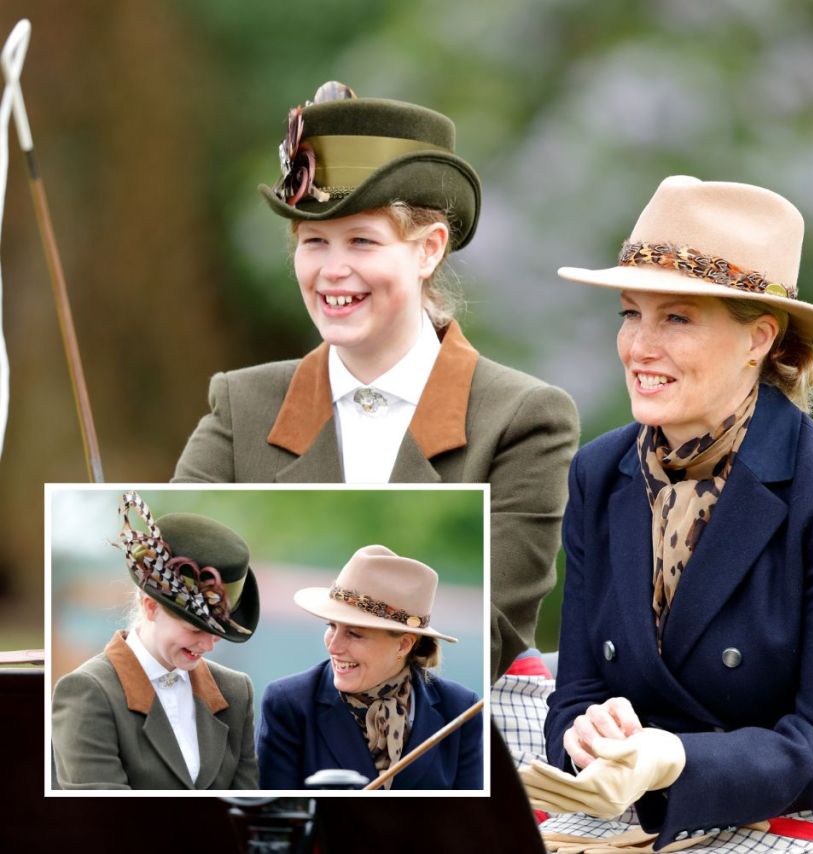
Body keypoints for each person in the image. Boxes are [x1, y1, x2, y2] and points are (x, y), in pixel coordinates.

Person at [531, 177, 813, 851]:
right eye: (631, 313)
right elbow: (574, 691)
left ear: (759, 339)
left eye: (677, 318)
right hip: (653, 799)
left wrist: (678, 759)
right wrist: (588, 735)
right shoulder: (600, 474)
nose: (639, 346)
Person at [172, 82, 578, 682]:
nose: (333, 270)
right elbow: (185, 574)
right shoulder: (241, 404)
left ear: (428, 250)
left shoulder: (524, 419)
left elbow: (483, 636)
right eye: (314, 242)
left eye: (362, 240)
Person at [51, 491, 260, 790]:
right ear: (150, 607)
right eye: (195, 630)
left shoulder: (236, 692)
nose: (209, 645)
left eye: (216, 633)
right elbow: (100, 821)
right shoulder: (89, 692)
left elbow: (246, 805)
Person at [257, 544, 482, 790]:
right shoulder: (288, 704)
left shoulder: (461, 709)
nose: (334, 646)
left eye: (354, 634)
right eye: (331, 626)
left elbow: (472, 820)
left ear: (403, 645)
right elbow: (277, 817)